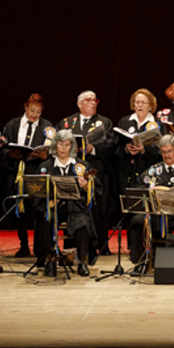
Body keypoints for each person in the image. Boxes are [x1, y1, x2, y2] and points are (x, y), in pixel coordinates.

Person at [126, 135, 174, 275]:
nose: (167, 155)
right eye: (163, 152)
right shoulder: (153, 170)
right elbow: (138, 188)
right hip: (157, 214)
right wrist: (149, 192)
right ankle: (141, 262)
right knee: (136, 221)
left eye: (170, 151)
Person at [58, 90, 115, 257]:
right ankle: (72, 246)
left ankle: (102, 245)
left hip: (96, 170)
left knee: (99, 208)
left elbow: (112, 144)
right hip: (71, 171)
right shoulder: (67, 122)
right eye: (88, 100)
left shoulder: (104, 122)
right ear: (79, 104)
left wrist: (93, 148)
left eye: (95, 100)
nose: (92, 103)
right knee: (72, 206)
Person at [36, 129, 98, 276]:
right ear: (54, 146)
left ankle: (82, 262)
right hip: (54, 207)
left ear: (72, 147)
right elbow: (37, 192)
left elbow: (95, 190)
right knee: (46, 218)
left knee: (83, 221)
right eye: (60, 144)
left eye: (67, 144)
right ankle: (50, 260)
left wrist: (85, 186)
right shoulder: (45, 167)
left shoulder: (82, 166)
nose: (63, 148)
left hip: (75, 208)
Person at [0, 94, 53, 258]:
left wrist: (45, 156)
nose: (35, 114)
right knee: (18, 211)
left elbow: (53, 150)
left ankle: (40, 246)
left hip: (36, 172)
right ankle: (23, 244)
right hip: (17, 172)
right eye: (32, 110)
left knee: (37, 210)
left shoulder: (47, 127)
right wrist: (10, 155)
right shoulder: (13, 125)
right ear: (25, 107)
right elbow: (2, 147)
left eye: (38, 111)